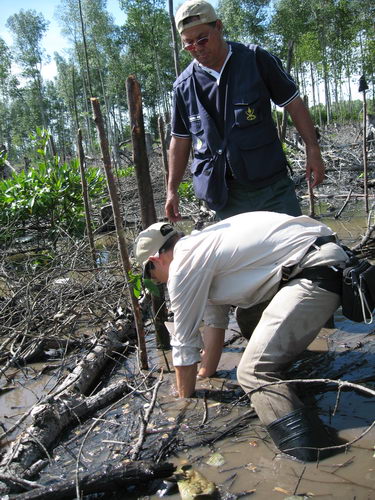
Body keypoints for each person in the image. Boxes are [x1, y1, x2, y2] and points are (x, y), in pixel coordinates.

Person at [134, 213, 349, 461]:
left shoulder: (183, 265)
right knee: (247, 317)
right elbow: (215, 322)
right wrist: (204, 375)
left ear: (155, 260)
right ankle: (296, 374)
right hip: (324, 257)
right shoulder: (202, 245)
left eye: (150, 275)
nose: (155, 281)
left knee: (252, 372)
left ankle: (312, 456)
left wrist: (182, 402)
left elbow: (183, 344)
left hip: (318, 271)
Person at [165, 0, 324, 223]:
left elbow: (293, 103)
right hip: (225, 197)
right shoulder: (184, 86)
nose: (197, 48)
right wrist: (172, 190)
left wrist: (313, 149)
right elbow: (180, 140)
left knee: (293, 250)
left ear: (218, 27)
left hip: (272, 189)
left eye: (202, 39)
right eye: (188, 44)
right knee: (241, 258)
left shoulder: (255, 59)